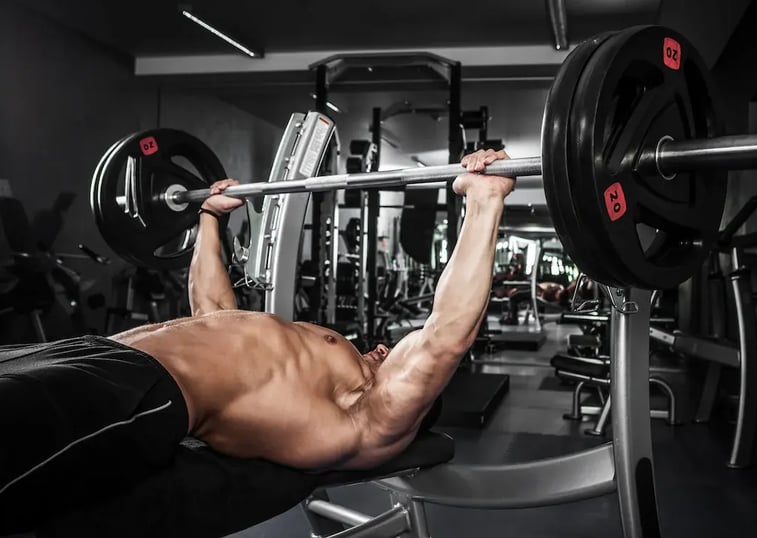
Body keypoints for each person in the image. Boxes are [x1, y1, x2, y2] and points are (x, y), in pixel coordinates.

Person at [0, 149, 514, 530]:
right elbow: (212, 314)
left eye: (391, 355)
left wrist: (484, 203)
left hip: (140, 389)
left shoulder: (371, 416)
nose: (384, 348)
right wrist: (208, 217)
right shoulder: (308, 374)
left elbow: (444, 336)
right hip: (90, 351)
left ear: (416, 403)